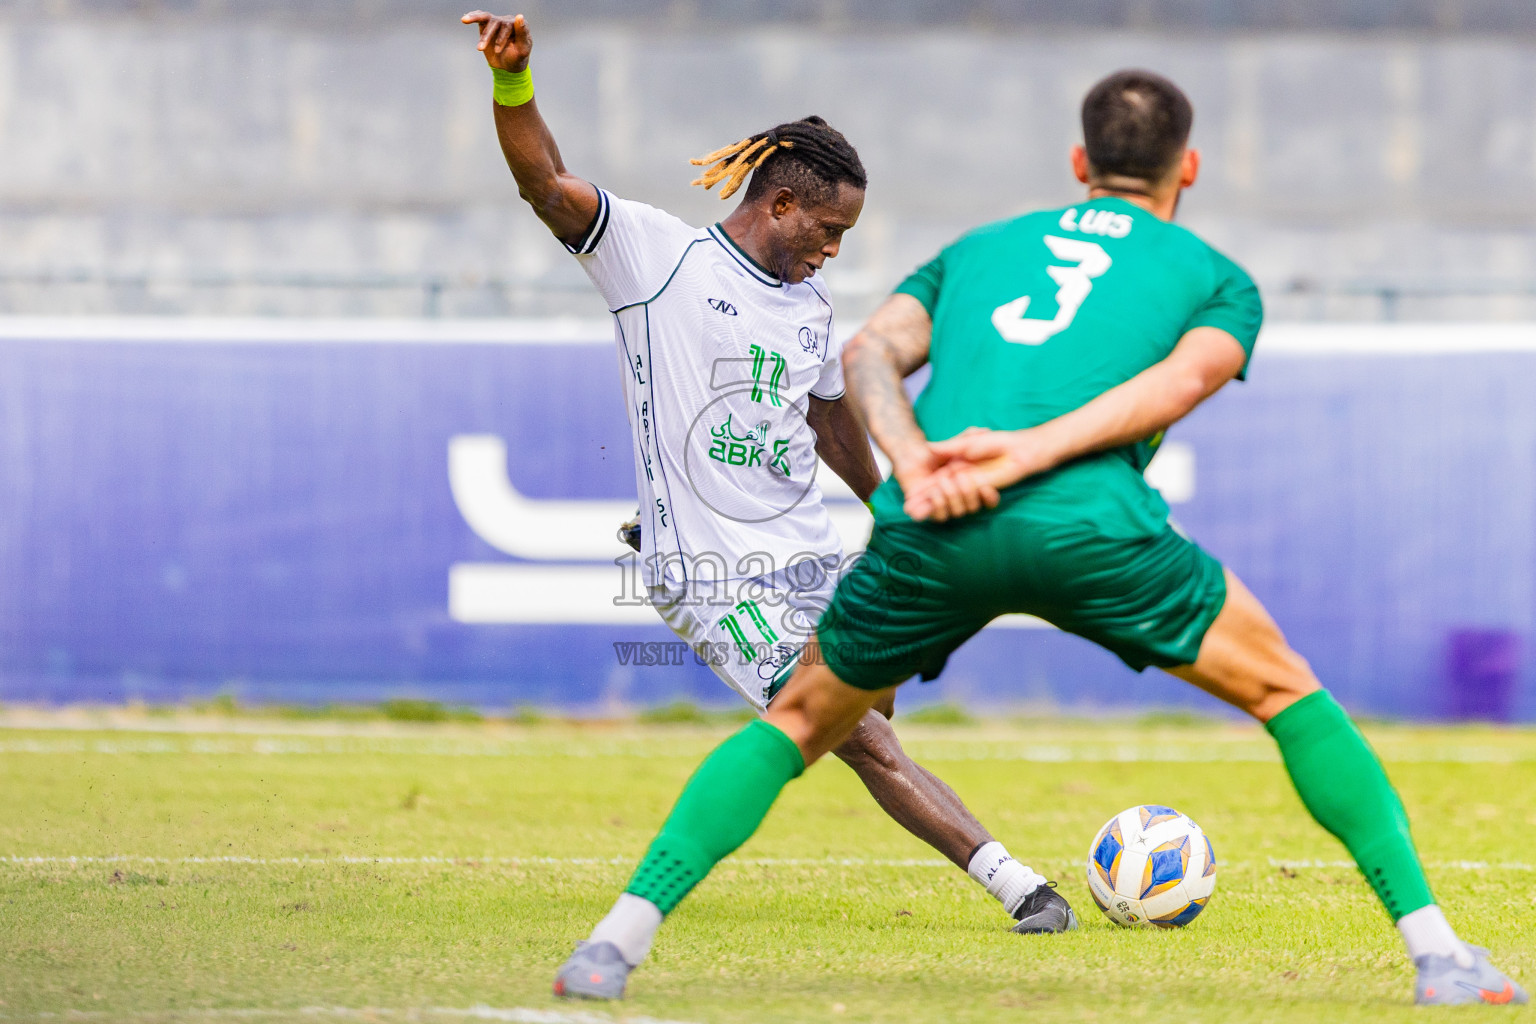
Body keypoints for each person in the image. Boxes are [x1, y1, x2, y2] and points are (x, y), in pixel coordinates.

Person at [563, 68, 1529, 1007]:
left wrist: (917, 460)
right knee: (1289, 695)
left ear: (1078, 161)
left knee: (802, 723)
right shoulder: (1219, 280)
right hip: (1091, 527)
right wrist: (1024, 454)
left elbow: (868, 355)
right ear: (1186, 170)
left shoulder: (981, 249)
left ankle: (614, 945)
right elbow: (1173, 389)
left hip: (936, 522)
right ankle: (1438, 955)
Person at [459, 10, 1080, 999]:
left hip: (801, 547)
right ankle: (1020, 885)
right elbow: (544, 182)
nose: (833, 251)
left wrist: (895, 505)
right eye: (829, 231)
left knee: (875, 694)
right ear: (783, 203)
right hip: (711, 570)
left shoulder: (806, 302)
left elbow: (830, 423)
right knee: (854, 732)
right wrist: (514, 83)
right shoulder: (655, 258)